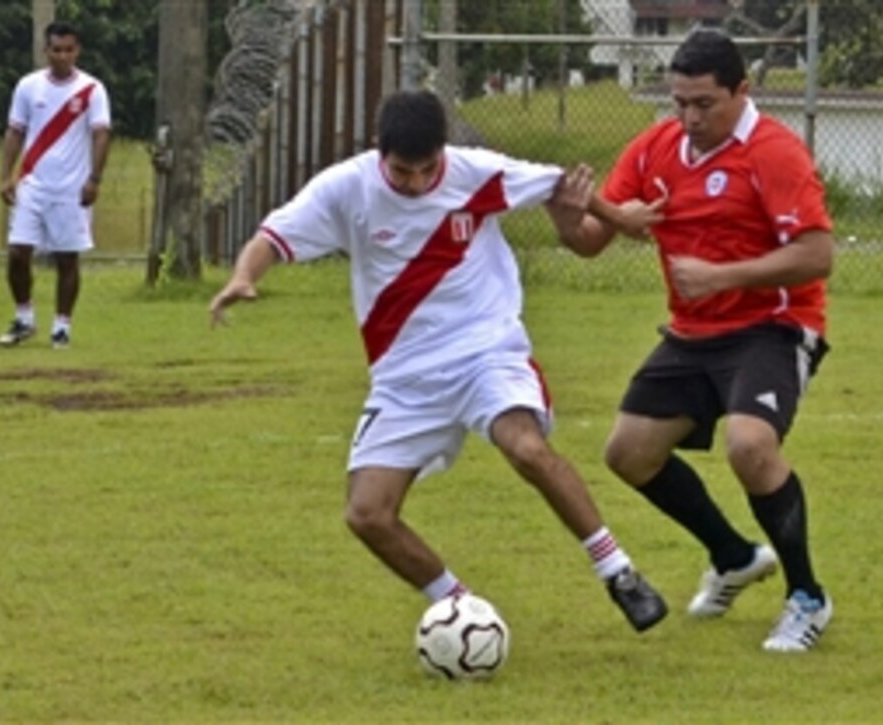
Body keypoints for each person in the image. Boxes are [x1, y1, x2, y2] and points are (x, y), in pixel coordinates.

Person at [209, 90, 668, 632]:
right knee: (367, 514)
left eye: (429, 169)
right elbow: (271, 235)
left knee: (524, 446)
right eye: (404, 172)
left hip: (485, 350)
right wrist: (243, 277)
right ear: (381, 154)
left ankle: (619, 573)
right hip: (404, 378)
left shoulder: (475, 172)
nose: (418, 182)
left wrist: (622, 217)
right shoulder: (345, 187)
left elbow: (558, 183)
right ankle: (461, 609)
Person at [548, 29, 835, 652]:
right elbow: (593, 241)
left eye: (704, 103)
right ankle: (733, 555)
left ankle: (807, 597)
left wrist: (722, 277)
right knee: (628, 453)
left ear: (742, 91)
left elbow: (817, 255)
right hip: (693, 333)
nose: (689, 117)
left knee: (750, 446)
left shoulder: (774, 153)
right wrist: (568, 217)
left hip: (773, 326)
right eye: (679, 102)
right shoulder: (656, 150)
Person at [0, 21, 112, 349]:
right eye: (56, 50)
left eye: (68, 50)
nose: (62, 56)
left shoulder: (92, 90)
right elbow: (15, 131)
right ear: (45, 51)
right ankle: (24, 319)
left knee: (66, 258)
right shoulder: (28, 87)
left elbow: (101, 134)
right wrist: (6, 175)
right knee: (18, 252)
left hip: (72, 188)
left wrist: (94, 179)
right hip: (32, 182)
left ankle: (61, 325)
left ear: (77, 51)